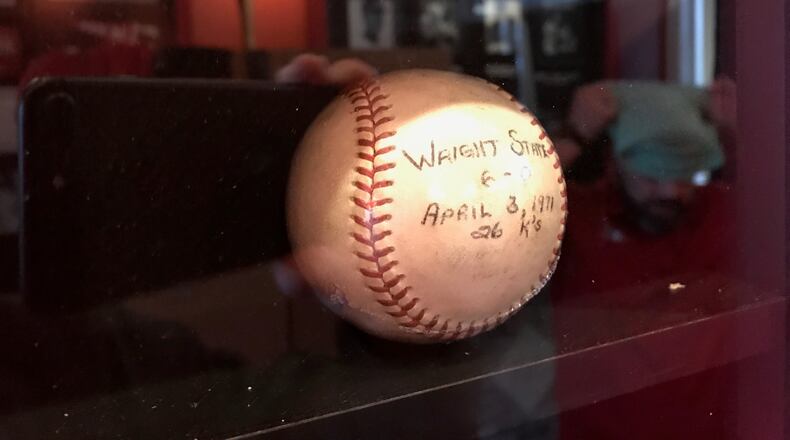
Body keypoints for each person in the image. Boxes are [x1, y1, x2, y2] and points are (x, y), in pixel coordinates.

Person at [550, 80, 736, 304]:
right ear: (615, 163)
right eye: (651, 175)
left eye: (683, 173)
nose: (670, 192)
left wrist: (736, 132)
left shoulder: (718, 209)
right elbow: (515, 204)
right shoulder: (579, 214)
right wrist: (574, 136)